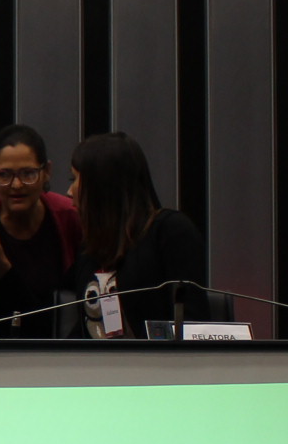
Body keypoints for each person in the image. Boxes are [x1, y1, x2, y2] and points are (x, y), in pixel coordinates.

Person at [61, 130, 206, 338]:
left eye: (74, 179)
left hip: (158, 359)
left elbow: (192, 326)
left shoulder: (170, 232)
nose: (69, 191)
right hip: (98, 360)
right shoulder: (92, 248)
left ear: (101, 185)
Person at [0, 123, 83, 337]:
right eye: (4, 175)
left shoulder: (70, 217)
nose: (17, 185)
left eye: (28, 173)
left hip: (60, 344)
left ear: (47, 172)